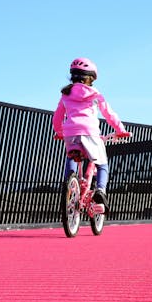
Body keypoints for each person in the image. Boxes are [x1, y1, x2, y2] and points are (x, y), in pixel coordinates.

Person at [52, 57, 130, 209]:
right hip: (91, 133)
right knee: (102, 164)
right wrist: (121, 130)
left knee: (72, 156)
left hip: (70, 133)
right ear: (90, 78)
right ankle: (100, 191)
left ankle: (69, 184)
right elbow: (109, 114)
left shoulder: (65, 94)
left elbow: (57, 117)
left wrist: (58, 131)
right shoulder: (95, 94)